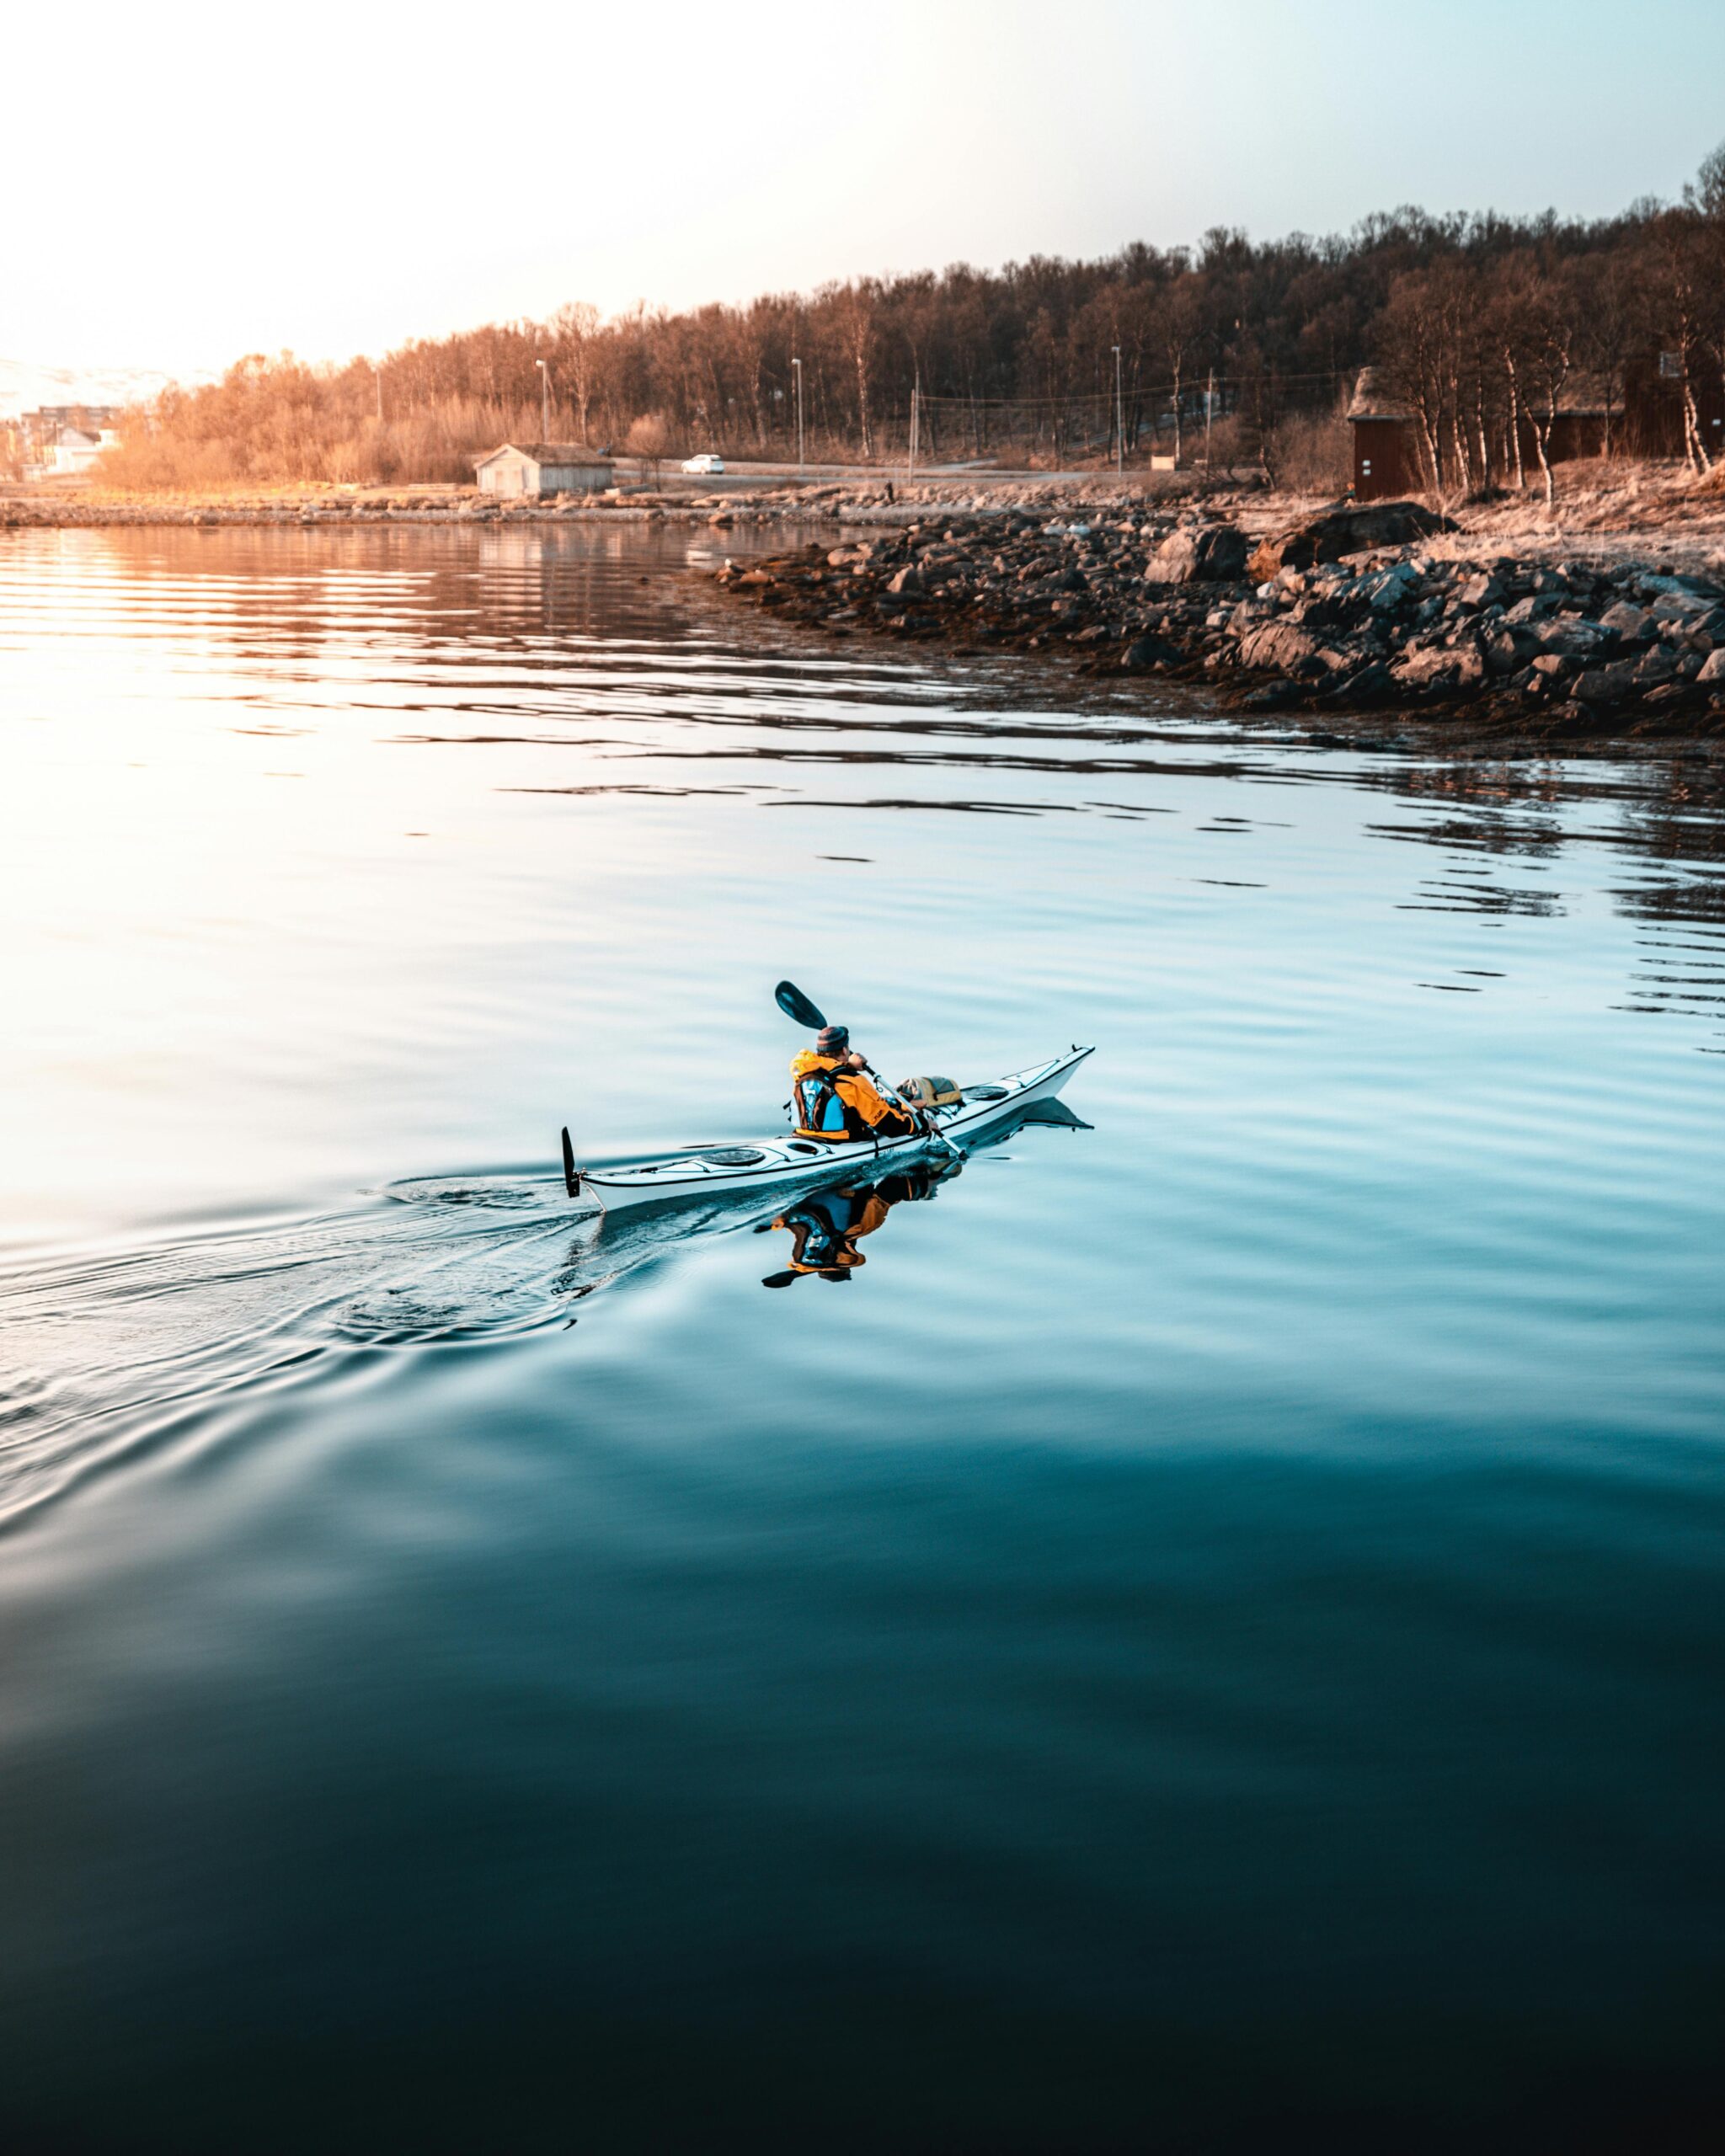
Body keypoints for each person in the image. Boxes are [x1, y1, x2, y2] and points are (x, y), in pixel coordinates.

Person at [790, 1024, 920, 1143]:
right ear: (845, 1051)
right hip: (845, 1140)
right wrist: (920, 1124)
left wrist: (847, 1066)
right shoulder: (852, 1082)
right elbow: (890, 1127)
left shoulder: (803, 1071)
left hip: (803, 1135)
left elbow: (831, 1075)